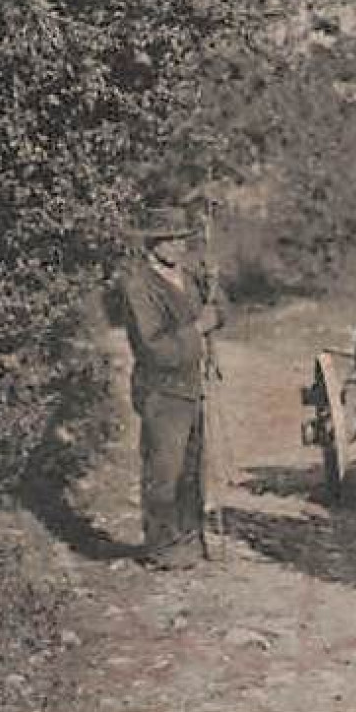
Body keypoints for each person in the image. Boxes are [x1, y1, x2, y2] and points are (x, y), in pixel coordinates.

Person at [118, 205, 222, 570]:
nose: (180, 247)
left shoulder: (189, 278)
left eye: (183, 239)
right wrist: (198, 330)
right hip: (161, 390)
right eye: (172, 240)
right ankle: (162, 546)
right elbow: (154, 347)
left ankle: (190, 540)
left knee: (192, 467)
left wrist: (215, 291)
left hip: (192, 386)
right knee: (165, 468)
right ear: (153, 243)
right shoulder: (139, 286)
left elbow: (217, 313)